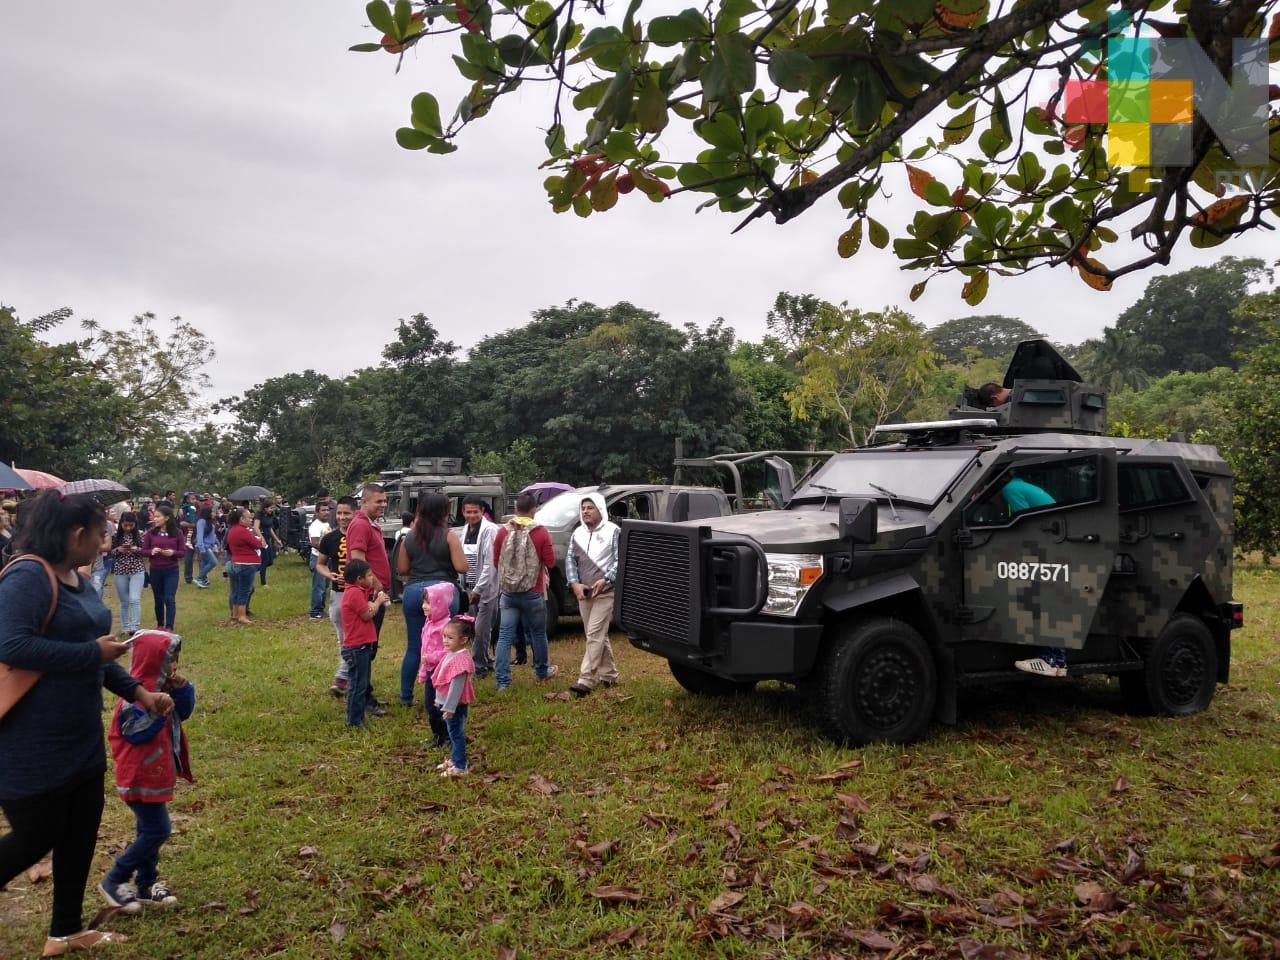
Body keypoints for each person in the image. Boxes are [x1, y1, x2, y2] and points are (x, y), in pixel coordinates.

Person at [0, 491, 172, 957]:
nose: (105, 542)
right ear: (77, 535)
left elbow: (97, 654)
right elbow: (13, 646)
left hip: (80, 736)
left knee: (79, 832)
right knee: (37, 835)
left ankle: (65, 931)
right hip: (30, 740)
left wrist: (140, 693)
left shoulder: (75, 578)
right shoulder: (27, 577)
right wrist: (90, 653)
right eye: (101, 534)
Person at [101, 629, 195, 912]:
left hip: (156, 775)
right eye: (169, 662)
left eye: (176, 662)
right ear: (154, 663)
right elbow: (135, 734)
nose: (174, 667)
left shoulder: (163, 692)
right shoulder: (134, 699)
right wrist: (158, 710)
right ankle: (115, 878)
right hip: (138, 777)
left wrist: (182, 689)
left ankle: (146, 883)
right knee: (157, 830)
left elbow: (184, 712)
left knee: (148, 830)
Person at [397, 494, 466, 708]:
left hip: (414, 591)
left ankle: (406, 696)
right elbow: (462, 566)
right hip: (442, 592)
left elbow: (402, 569)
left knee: (415, 646)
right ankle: (440, 692)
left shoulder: (409, 537)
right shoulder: (449, 535)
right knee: (445, 645)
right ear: (444, 512)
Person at [492, 492, 559, 691]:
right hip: (533, 591)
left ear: (515, 509)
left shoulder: (502, 532)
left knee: (504, 636)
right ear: (533, 510)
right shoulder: (540, 532)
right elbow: (550, 562)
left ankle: (503, 682)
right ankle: (541, 671)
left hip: (509, 593)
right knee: (538, 634)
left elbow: (496, 562)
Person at [567, 493, 621, 698]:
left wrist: (606, 579)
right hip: (584, 593)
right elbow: (571, 561)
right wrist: (574, 584)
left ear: (600, 509)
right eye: (583, 508)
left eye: (590, 507)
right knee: (596, 634)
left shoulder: (614, 531)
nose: (586, 511)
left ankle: (586, 679)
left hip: (606, 592)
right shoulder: (577, 534)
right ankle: (609, 675)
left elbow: (620, 560)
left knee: (595, 633)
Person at [346, 485, 391, 698]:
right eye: (378, 501)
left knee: (370, 647)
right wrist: (375, 586)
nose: (383, 505)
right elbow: (357, 559)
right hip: (367, 597)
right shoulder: (361, 525)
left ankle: (364, 692)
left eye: (384, 501)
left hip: (374, 596)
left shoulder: (372, 525)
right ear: (364, 502)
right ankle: (362, 696)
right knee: (365, 649)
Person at [339, 559, 390, 728]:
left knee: (360, 683)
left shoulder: (357, 591)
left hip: (361, 646)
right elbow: (367, 615)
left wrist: (375, 597)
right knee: (358, 686)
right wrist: (378, 602)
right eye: (369, 576)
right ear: (359, 579)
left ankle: (357, 717)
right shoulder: (354, 593)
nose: (372, 578)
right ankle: (354, 720)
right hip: (357, 647)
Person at [316, 497, 357, 697]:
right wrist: (329, 574)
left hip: (359, 594)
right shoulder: (329, 539)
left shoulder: (360, 535)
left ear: (355, 513)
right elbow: (320, 564)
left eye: (346, 513)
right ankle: (344, 677)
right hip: (339, 594)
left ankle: (344, 678)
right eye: (339, 513)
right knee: (344, 638)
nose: (342, 517)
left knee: (357, 639)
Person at [458, 496, 500, 679]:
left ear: (482, 512)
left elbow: (490, 564)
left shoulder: (490, 530)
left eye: (475, 512)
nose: (472, 515)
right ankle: (486, 660)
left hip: (485, 588)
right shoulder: (464, 530)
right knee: (471, 626)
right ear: (463, 512)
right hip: (468, 588)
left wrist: (478, 589)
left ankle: (479, 666)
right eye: (468, 512)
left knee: (482, 628)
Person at [430, 616, 477, 777]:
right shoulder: (452, 654)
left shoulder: (461, 661)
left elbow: (456, 689)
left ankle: (460, 766)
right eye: (444, 636)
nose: (445, 640)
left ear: (463, 640)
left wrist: (449, 708)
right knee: (453, 734)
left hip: (455, 707)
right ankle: (455, 759)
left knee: (456, 735)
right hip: (449, 706)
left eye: (450, 638)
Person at [416, 581, 457, 748]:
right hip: (431, 672)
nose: (424, 606)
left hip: (442, 674)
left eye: (429, 603)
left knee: (442, 706)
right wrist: (423, 670)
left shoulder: (446, 626)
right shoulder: (429, 622)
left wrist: (431, 658)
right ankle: (437, 736)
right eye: (424, 602)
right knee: (430, 706)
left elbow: (449, 651)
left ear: (440, 604)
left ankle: (447, 737)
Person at [141, 505, 184, 631]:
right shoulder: (150, 533)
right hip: (155, 570)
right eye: (154, 516)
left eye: (158, 516)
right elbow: (143, 551)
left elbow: (182, 552)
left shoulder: (178, 533)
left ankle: (169, 627)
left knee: (169, 598)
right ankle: (160, 625)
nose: (155, 519)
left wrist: (173, 553)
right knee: (158, 598)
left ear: (167, 518)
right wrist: (151, 551)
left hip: (171, 570)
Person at [225, 507, 265, 626]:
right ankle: (242, 615)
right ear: (241, 519)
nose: (251, 520)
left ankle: (235, 614)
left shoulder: (232, 530)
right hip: (246, 564)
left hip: (236, 562)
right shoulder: (243, 531)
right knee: (244, 590)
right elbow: (257, 544)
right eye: (249, 518)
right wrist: (260, 540)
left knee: (236, 590)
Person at [111, 512, 147, 636]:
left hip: (137, 570)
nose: (128, 528)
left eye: (131, 525)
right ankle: (125, 626)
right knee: (124, 601)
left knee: (134, 599)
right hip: (120, 571)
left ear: (135, 524)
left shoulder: (141, 534)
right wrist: (118, 549)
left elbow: (146, 551)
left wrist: (137, 549)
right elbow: (111, 551)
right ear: (121, 524)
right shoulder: (116, 535)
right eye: (125, 525)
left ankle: (135, 627)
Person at [308, 502, 333, 620]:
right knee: (319, 586)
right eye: (323, 510)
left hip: (327, 559)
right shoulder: (315, 526)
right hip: (318, 558)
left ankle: (321, 609)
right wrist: (327, 551)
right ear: (317, 513)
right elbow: (314, 543)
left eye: (327, 510)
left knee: (325, 586)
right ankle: (315, 611)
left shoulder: (327, 524)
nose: (326, 512)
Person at [255, 499, 283, 587]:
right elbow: (256, 527)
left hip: (268, 539)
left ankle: (253, 568)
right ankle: (263, 583)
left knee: (270, 560)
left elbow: (270, 529)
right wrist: (262, 539)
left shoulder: (270, 515)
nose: (272, 510)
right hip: (261, 539)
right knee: (265, 559)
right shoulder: (259, 515)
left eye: (272, 508)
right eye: (270, 508)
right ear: (265, 508)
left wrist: (277, 540)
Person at [193, 506, 219, 589]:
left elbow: (213, 535)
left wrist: (217, 544)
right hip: (203, 546)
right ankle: (199, 578)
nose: (214, 514)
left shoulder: (209, 522)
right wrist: (202, 548)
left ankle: (202, 581)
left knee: (204, 564)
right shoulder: (201, 522)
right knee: (213, 562)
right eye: (213, 512)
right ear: (208, 513)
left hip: (208, 546)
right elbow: (199, 536)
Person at [179, 493, 198, 585]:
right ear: (187, 500)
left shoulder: (195, 509)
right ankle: (188, 578)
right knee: (188, 558)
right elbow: (181, 523)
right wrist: (191, 524)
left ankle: (202, 577)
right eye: (192, 499)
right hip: (188, 535)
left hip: (197, 534)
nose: (195, 500)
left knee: (200, 556)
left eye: (195, 499)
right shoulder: (186, 509)